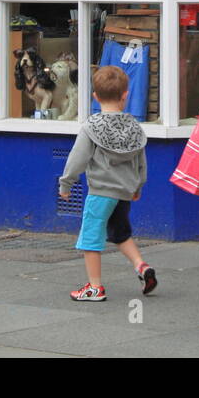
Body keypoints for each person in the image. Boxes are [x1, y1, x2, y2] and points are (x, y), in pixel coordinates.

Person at [58, 65, 157, 301]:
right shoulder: (134, 127)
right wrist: (138, 186)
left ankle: (94, 287)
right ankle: (141, 266)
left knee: (90, 237)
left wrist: (66, 183)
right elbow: (141, 161)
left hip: (101, 192)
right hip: (124, 192)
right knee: (120, 232)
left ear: (95, 97)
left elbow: (77, 158)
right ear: (125, 95)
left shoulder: (92, 127)